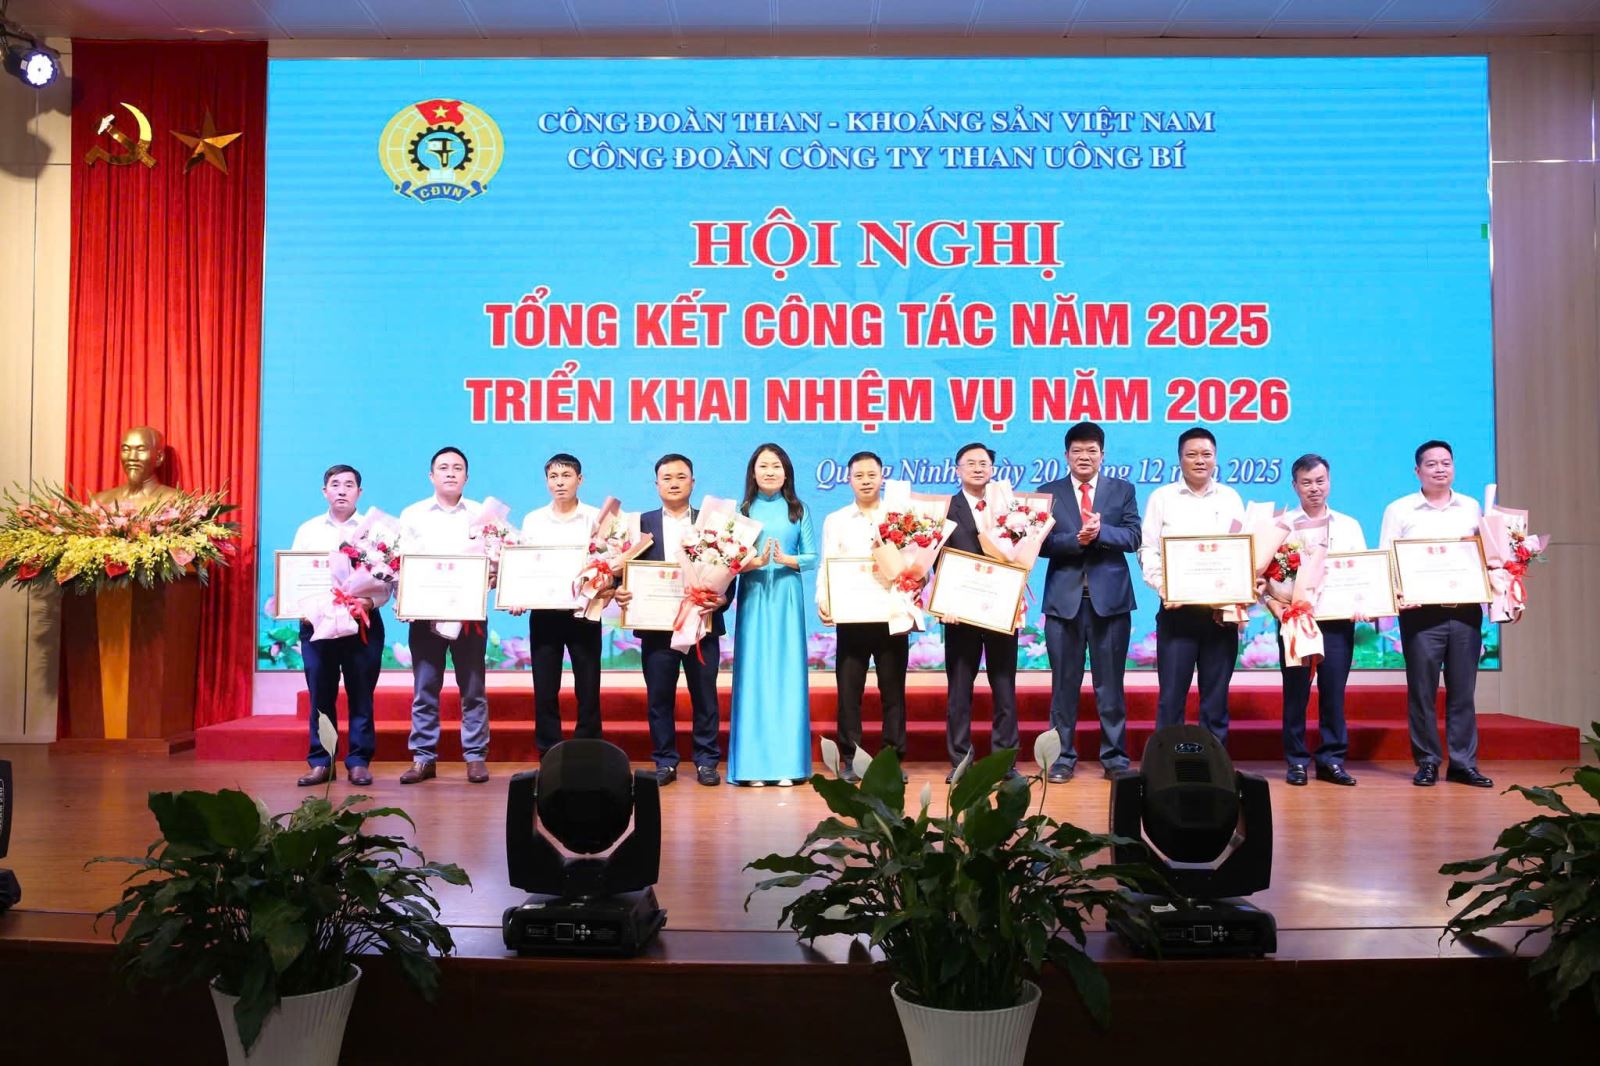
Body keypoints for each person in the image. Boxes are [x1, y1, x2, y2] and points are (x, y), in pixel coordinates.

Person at [1379, 440, 1492, 788]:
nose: (1440, 469)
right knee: (1422, 692)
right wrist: (1397, 592)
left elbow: (1488, 555)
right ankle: (1427, 761)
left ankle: (1463, 764)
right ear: (1418, 471)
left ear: (1453, 467)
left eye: (1446, 462)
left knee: (1463, 692)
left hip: (1465, 612)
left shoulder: (1471, 507)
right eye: (1431, 464)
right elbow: (1387, 559)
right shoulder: (1399, 510)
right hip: (1421, 614)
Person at [614, 454, 729, 786]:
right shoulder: (639, 524)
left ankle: (706, 761)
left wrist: (722, 600)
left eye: (681, 476)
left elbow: (729, 568)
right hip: (656, 626)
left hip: (701, 624)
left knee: (704, 696)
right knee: (659, 697)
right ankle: (664, 761)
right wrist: (620, 590)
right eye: (667, 478)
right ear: (656, 484)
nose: (674, 483)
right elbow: (623, 570)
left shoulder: (711, 523)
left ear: (693, 482)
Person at [1038, 422, 1142, 783]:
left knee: (1110, 685)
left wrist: (1101, 533)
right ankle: (1061, 758)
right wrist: (1077, 540)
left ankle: (1114, 757)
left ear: (1102, 454)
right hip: (1063, 603)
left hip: (1110, 604)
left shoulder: (1122, 490)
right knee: (1063, 685)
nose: (1084, 456)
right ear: (1066, 455)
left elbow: (1133, 536)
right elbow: (1039, 545)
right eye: (1077, 451)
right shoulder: (1048, 493)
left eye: (1091, 450)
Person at [1138, 428, 1246, 747]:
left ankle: (1215, 766)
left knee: (1216, 700)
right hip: (1177, 613)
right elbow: (1148, 549)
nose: (1200, 460)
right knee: (1172, 698)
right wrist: (1164, 587)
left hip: (1219, 616)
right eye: (1192, 454)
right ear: (1180, 459)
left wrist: (1238, 592)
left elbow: (1241, 550)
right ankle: (1166, 765)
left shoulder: (1230, 498)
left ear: (1216, 458)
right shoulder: (1162, 498)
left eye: (1206, 454)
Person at [397, 446, 489, 784]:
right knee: (425, 688)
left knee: (473, 689)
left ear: (467, 476)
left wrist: (495, 574)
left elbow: (496, 560)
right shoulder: (413, 514)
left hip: (469, 616)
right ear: (431, 475)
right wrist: (404, 601)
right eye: (443, 467)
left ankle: (475, 757)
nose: (451, 473)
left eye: (457, 468)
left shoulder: (483, 515)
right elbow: (400, 564)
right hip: (425, 616)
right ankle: (423, 757)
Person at [1269, 454, 1363, 787]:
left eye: (1320, 481)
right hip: (1296, 620)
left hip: (1337, 621)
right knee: (1295, 693)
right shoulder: (1281, 527)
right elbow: (1267, 577)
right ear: (1295, 486)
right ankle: (1296, 761)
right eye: (1306, 482)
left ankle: (1331, 760)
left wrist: (1362, 602)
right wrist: (1276, 605)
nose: (1314, 488)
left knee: (1333, 693)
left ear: (1329, 482)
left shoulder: (1348, 525)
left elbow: (1362, 572)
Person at [817, 451, 909, 784]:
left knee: (893, 692)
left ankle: (891, 760)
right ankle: (851, 758)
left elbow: (915, 562)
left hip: (891, 614)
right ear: (849, 480)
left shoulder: (900, 518)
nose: (866, 481)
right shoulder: (837, 520)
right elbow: (827, 563)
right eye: (859, 475)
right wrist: (824, 599)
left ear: (882, 477)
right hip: (852, 616)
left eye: (872, 474)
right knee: (849, 691)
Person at [728, 443, 818, 785]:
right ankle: (751, 767)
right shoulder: (741, 510)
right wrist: (755, 562)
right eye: (763, 466)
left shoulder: (798, 509)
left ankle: (788, 766)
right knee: (752, 673)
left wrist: (786, 560)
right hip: (753, 595)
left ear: (786, 472)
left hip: (787, 595)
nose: (770, 472)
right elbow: (729, 560)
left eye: (776, 466)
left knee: (787, 673)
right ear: (753, 472)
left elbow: (811, 556)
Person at [293, 464, 385, 788]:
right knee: (321, 695)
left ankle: (359, 762)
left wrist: (369, 602)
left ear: (360, 492)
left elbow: (387, 579)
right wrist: (299, 607)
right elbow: (294, 576)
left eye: (349, 484)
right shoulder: (308, 531)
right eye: (335, 484)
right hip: (317, 624)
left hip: (362, 622)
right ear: (325, 492)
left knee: (362, 694)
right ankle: (322, 761)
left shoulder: (376, 531)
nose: (342, 490)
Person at [938, 442, 1020, 783]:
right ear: (957, 470)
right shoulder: (945, 508)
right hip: (960, 614)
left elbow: (1022, 552)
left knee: (1005, 689)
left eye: (983, 463)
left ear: (992, 469)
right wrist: (943, 604)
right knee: (959, 691)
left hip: (1001, 609)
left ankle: (1004, 762)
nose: (977, 468)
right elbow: (934, 559)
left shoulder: (1010, 507)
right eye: (969, 463)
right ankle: (960, 761)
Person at [518, 453, 603, 756]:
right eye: (553, 477)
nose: (560, 482)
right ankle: (549, 752)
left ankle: (589, 750)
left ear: (580, 480)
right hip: (544, 614)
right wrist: (518, 596)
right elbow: (524, 566)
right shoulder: (533, 520)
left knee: (588, 687)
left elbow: (608, 563)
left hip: (584, 613)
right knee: (544, 687)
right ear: (546, 482)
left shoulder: (596, 518)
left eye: (566, 476)